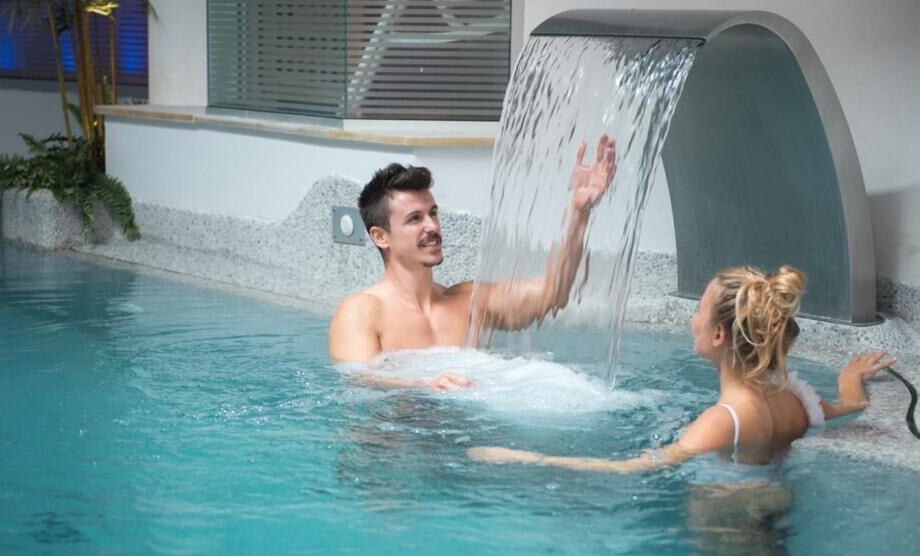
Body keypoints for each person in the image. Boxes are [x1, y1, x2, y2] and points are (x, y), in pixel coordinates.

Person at [469, 265, 895, 471]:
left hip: (728, 534)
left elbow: (631, 469)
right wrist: (850, 378)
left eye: (699, 310)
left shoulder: (722, 420)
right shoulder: (794, 397)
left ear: (718, 335)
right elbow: (846, 408)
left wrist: (522, 456)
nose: (691, 319)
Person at [329, 135, 617, 389]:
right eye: (415, 219)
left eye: (433, 213)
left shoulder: (471, 302)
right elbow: (360, 380)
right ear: (381, 237)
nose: (432, 226)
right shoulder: (361, 311)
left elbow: (554, 293)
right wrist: (422, 384)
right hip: (395, 444)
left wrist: (580, 211)